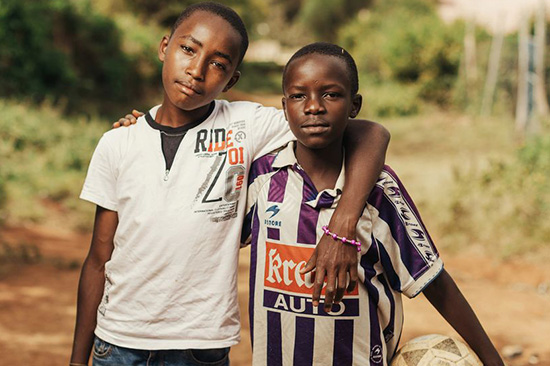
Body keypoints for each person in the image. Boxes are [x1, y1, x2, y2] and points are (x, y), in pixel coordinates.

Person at [70, 3, 390, 366]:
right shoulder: (118, 143)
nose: (196, 70)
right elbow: (98, 260)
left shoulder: (247, 124)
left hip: (199, 346)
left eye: (218, 64)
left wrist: (342, 225)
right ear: (164, 48)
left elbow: (369, 131)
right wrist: (78, 361)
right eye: (188, 49)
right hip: (116, 343)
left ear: (231, 80)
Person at [242, 42, 504, 366]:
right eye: (299, 96)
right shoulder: (262, 178)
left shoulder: (378, 190)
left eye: (331, 94)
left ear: (355, 105)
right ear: (284, 106)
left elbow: (432, 279)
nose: (314, 107)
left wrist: (493, 360)